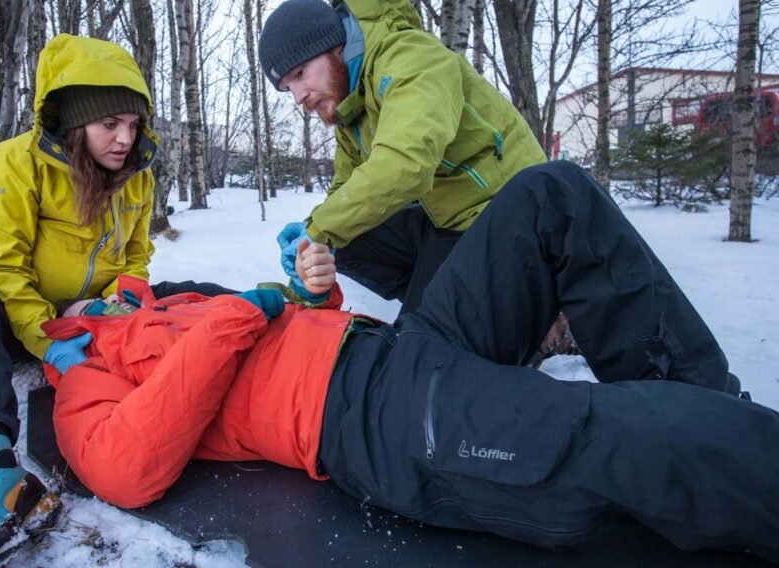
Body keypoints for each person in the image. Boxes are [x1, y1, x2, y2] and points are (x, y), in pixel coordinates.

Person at [42, 162, 776, 563]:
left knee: (553, 196)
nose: (94, 296)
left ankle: (712, 413)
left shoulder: (163, 304)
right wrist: (241, 313)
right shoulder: (82, 371)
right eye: (74, 295)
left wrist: (312, 299)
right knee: (610, 435)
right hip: (372, 423)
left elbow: (276, 342)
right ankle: (723, 445)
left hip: (399, 349)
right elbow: (126, 468)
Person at [0, 34, 232, 568]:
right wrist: (48, 335)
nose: (126, 139)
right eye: (110, 125)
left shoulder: (134, 178)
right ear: (74, 123)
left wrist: (113, 307)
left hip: (97, 320)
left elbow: (135, 259)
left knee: (202, 297)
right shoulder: (12, 166)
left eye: (133, 124)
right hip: (18, 321)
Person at [259, 0, 547, 317]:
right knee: (347, 240)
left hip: (501, 212)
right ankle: (445, 300)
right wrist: (311, 236)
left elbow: (406, 163)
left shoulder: (410, 56)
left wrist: (320, 229)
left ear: (335, 46)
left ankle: (513, 311)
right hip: (444, 217)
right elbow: (347, 185)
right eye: (287, 87)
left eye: (299, 74)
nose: (298, 98)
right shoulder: (351, 103)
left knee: (423, 344)